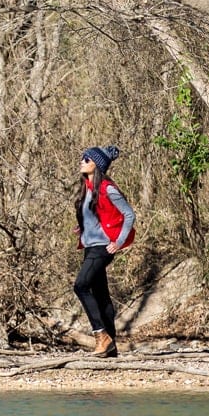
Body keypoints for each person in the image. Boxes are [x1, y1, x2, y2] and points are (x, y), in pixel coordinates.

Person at [73, 145, 135, 358]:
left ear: (97, 166)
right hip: (90, 245)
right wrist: (83, 227)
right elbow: (96, 216)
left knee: (81, 286)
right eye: (83, 158)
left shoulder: (107, 187)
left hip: (103, 247)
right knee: (101, 294)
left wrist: (118, 242)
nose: (82, 161)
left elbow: (129, 215)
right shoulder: (88, 188)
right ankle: (111, 348)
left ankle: (101, 336)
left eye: (87, 159)